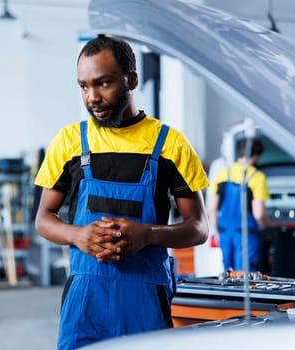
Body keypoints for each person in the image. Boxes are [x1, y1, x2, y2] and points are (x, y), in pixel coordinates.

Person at [34, 35, 209, 349]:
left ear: (131, 80)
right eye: (84, 86)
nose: (92, 97)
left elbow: (199, 227)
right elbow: (43, 219)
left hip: (146, 298)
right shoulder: (69, 141)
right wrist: (77, 235)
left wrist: (148, 234)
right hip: (86, 299)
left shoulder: (170, 144)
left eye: (103, 84)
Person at [208, 138, 277, 272]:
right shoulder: (257, 177)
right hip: (246, 234)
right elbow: (259, 214)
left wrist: (216, 231)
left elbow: (211, 209)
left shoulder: (222, 173)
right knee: (247, 276)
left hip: (225, 232)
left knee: (228, 274)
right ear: (256, 156)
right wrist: (270, 224)